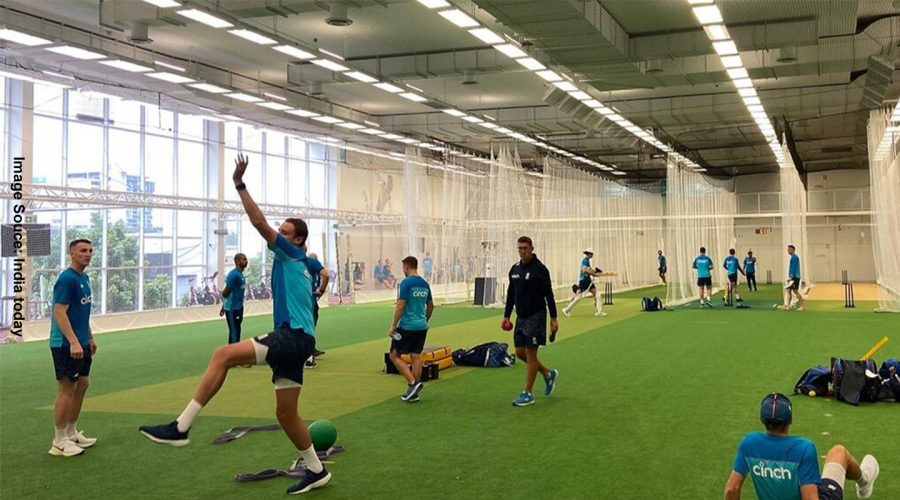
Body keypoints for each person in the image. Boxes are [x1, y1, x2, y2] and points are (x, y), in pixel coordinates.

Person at [138, 154, 331, 495]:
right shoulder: (305, 262)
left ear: (297, 239)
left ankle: (181, 427)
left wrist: (239, 185)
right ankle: (316, 470)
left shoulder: (290, 253)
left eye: (285, 232)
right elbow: (322, 272)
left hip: (293, 336)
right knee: (286, 414)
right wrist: (323, 276)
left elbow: (259, 224)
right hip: (302, 340)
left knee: (223, 354)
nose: (277, 235)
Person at [724, 392, 879, 500]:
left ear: (762, 420)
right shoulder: (803, 448)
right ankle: (864, 482)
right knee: (838, 452)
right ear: (790, 420)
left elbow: (732, 489)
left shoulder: (749, 442)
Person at [48, 239, 98, 457]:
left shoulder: (84, 278)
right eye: (83, 251)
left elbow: (81, 312)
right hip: (65, 344)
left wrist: (89, 337)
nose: (87, 254)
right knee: (67, 387)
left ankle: (71, 432)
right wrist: (74, 341)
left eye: (90, 251)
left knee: (83, 384)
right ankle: (59, 441)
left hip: (81, 342)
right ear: (72, 253)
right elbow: (60, 312)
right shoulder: (67, 279)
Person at [502, 236, 559, 407]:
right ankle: (548, 374)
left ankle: (527, 393)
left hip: (537, 316)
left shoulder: (540, 269)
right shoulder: (514, 269)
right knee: (520, 352)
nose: (522, 251)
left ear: (532, 248)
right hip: (521, 317)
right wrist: (506, 316)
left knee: (530, 354)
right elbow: (511, 294)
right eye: (519, 248)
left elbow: (549, 295)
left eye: (525, 248)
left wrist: (554, 318)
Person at [387, 256, 434, 403]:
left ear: (406, 267)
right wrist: (424, 320)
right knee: (416, 357)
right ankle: (414, 392)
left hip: (407, 326)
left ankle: (413, 383)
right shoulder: (424, 284)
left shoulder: (406, 283)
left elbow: (401, 305)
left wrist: (393, 325)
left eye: (403, 268)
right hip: (421, 327)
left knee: (394, 356)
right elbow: (431, 305)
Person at [304, 251, 329, 368]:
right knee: (308, 325)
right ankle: (308, 355)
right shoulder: (311, 265)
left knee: (309, 323)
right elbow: (326, 275)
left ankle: (310, 349)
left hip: (307, 300)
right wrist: (321, 290)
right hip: (309, 300)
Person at [562, 248, 605, 317]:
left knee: (597, 294)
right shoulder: (585, 261)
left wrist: (594, 271)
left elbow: (588, 270)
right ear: (589, 254)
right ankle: (566, 309)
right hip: (585, 281)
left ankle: (599, 312)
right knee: (580, 296)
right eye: (592, 253)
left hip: (587, 280)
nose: (592, 255)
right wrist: (594, 274)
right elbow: (584, 270)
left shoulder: (586, 261)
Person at [219, 253, 247, 345]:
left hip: (238, 307)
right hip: (232, 309)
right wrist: (225, 307)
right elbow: (225, 293)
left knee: (237, 330)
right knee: (234, 332)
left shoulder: (240, 274)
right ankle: (232, 355)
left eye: (246, 259)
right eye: (243, 259)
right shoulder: (234, 275)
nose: (246, 261)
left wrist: (223, 306)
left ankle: (235, 353)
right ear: (237, 261)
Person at [781, 245, 805, 311]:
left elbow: (793, 267)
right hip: (792, 277)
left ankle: (802, 306)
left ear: (793, 250)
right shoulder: (792, 257)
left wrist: (791, 276)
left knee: (795, 291)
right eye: (788, 249)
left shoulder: (794, 257)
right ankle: (787, 306)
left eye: (790, 249)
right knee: (788, 290)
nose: (788, 251)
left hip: (795, 277)